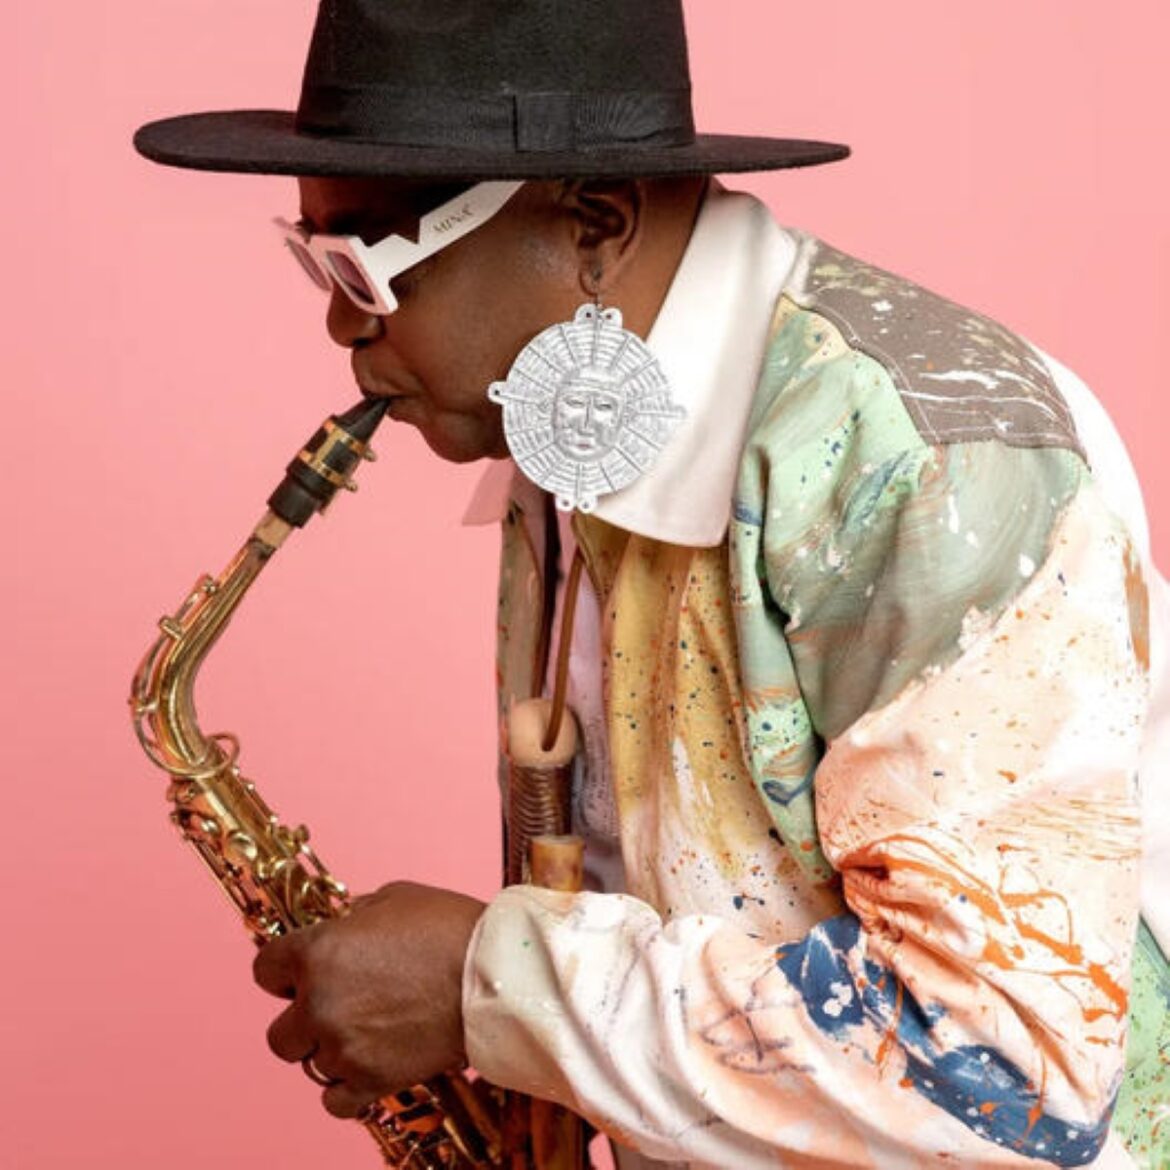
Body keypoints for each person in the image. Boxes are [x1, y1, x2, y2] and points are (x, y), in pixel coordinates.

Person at [133, 1, 1169, 1167]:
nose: (339, 323)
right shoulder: (573, 428)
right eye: (313, 258)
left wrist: (490, 986)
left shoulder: (928, 463)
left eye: (363, 266)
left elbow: (1005, 1073)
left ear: (594, 225)